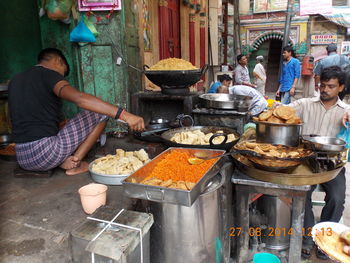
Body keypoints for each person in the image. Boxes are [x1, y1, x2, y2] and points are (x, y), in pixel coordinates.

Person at [8, 48, 145, 176]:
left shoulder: (15, 80)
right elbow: (80, 99)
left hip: (22, 158)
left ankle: (62, 161)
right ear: (58, 61)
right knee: (101, 113)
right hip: (46, 154)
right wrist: (125, 115)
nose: (61, 78)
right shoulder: (49, 74)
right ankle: (75, 162)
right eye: (62, 73)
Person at [289, 66, 350, 260]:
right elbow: (283, 109)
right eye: (322, 85)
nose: (324, 90)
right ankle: (307, 238)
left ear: (340, 88)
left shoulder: (346, 111)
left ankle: (325, 238)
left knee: (337, 197)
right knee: (301, 193)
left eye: (330, 86)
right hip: (306, 161)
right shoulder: (306, 104)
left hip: (332, 164)